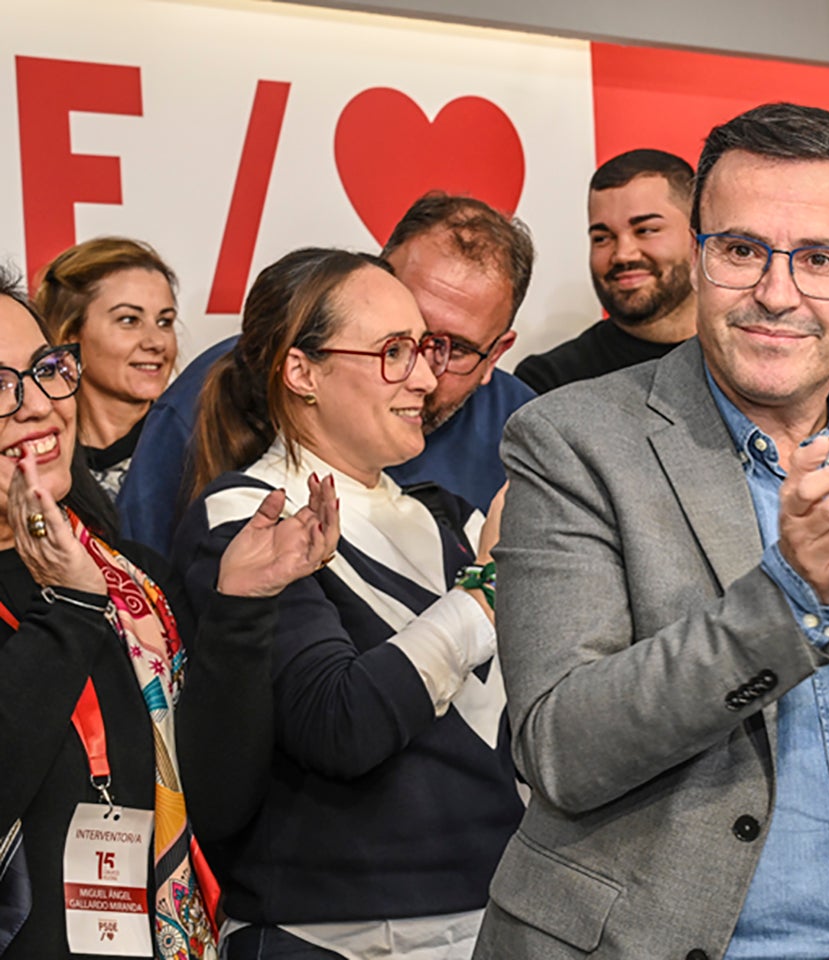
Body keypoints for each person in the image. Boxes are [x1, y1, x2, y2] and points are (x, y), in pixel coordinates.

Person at [474, 102, 829, 960]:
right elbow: (560, 750)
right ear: (700, 253)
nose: (775, 293)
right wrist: (783, 603)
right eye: (741, 250)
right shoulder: (572, 439)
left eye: (822, 259)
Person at [170, 248, 523, 960]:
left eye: (423, 349)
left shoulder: (446, 517)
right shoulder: (249, 518)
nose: (425, 377)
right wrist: (487, 589)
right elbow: (341, 724)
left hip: (495, 915)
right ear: (301, 372)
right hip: (336, 935)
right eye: (393, 352)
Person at [0, 267, 337, 960]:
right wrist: (66, 611)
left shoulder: (130, 577)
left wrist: (241, 612)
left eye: (43, 371)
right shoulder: (81, 589)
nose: (36, 404)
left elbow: (212, 807)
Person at [116, 193, 535, 554]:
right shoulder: (214, 392)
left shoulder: (529, 438)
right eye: (398, 341)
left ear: (496, 354)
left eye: (455, 349)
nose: (422, 370)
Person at [515, 149, 697, 393]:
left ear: (696, 235)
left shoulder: (746, 360)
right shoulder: (550, 381)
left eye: (646, 230)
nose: (622, 254)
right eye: (602, 238)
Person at [32, 238, 180, 500]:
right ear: (70, 337)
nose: (157, 342)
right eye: (129, 320)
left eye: (164, 321)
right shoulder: (39, 456)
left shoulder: (197, 450)